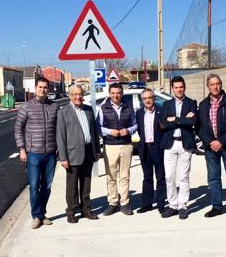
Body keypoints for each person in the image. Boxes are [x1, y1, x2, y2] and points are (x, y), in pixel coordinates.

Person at [14, 77, 59, 229]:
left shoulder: (54, 107)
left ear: (48, 89)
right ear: (35, 88)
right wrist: (22, 149)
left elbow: (59, 129)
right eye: (40, 87)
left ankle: (42, 213)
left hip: (51, 153)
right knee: (34, 186)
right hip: (33, 153)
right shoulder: (26, 107)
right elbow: (18, 129)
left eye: (45, 87)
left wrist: (59, 147)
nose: (43, 90)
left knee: (47, 186)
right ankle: (36, 216)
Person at [197, 73, 226, 222]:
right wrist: (211, 142)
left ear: (221, 84)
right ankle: (217, 206)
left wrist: (221, 141)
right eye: (212, 84)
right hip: (211, 148)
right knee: (213, 178)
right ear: (208, 86)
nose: (215, 87)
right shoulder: (203, 105)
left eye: (217, 83)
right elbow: (199, 127)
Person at [56, 85, 102, 223]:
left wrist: (97, 151)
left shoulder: (88, 110)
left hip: (88, 152)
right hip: (72, 154)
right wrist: (63, 157)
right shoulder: (63, 112)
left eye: (80, 94)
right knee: (72, 186)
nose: (78, 97)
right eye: (75, 94)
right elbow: (60, 136)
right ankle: (71, 212)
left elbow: (94, 131)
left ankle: (86, 210)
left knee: (86, 184)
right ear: (70, 96)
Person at [160, 76, 198, 220]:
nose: (179, 89)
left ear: (185, 87)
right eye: (176, 87)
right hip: (170, 144)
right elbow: (163, 124)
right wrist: (183, 120)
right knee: (169, 176)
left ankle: (182, 206)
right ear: (172, 88)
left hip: (185, 144)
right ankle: (172, 205)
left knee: (184, 176)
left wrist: (174, 119)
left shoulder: (191, 103)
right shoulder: (167, 104)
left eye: (181, 87)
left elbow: (192, 121)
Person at [97, 82, 137, 216]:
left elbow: (135, 124)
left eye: (118, 93)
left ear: (122, 93)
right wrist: (109, 131)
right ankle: (113, 203)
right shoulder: (103, 108)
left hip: (126, 146)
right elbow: (98, 127)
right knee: (111, 176)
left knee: (125, 176)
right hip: (110, 146)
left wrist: (129, 130)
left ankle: (125, 203)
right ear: (109, 94)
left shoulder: (129, 107)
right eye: (113, 93)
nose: (116, 95)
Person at [135, 88, 166, 214]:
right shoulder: (139, 113)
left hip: (158, 148)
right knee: (147, 178)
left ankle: (161, 204)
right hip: (145, 149)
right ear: (142, 100)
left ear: (154, 98)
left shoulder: (161, 111)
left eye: (150, 98)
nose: (147, 100)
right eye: (145, 98)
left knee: (161, 178)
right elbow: (139, 130)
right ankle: (147, 204)